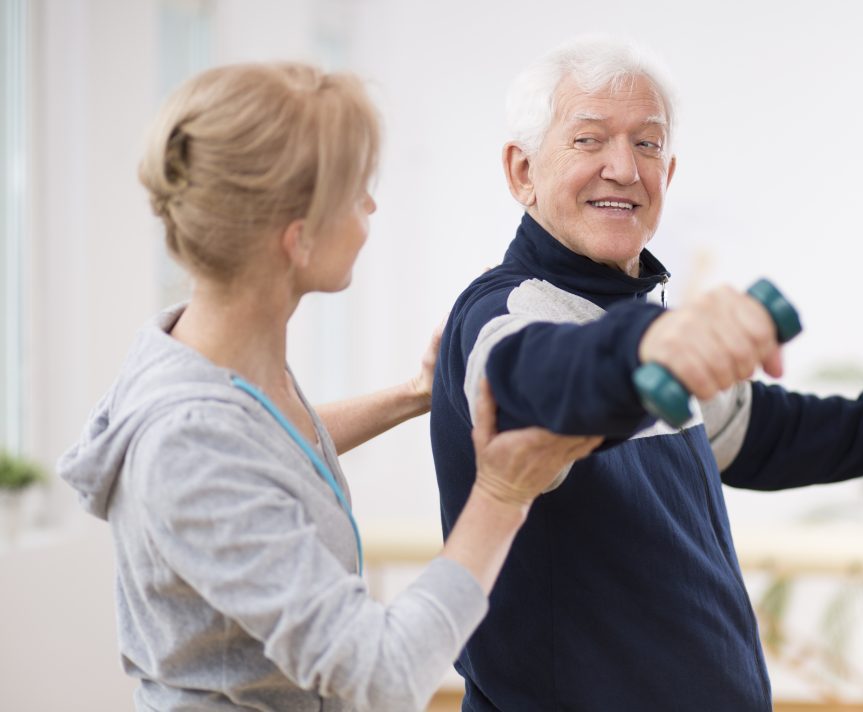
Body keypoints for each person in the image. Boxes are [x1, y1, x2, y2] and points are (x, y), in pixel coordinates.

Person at [430, 37, 863, 710]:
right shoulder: (504, 316)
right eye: (589, 140)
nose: (623, 168)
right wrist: (650, 348)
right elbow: (542, 380)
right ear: (522, 170)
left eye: (646, 145)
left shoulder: (636, 307)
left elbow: (761, 430)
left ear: (668, 173)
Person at [57, 62, 601, 712]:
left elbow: (263, 444)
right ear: (299, 236)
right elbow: (381, 675)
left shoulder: (203, 357)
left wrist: (414, 392)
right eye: (356, 191)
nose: (370, 206)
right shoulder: (187, 443)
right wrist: (502, 494)